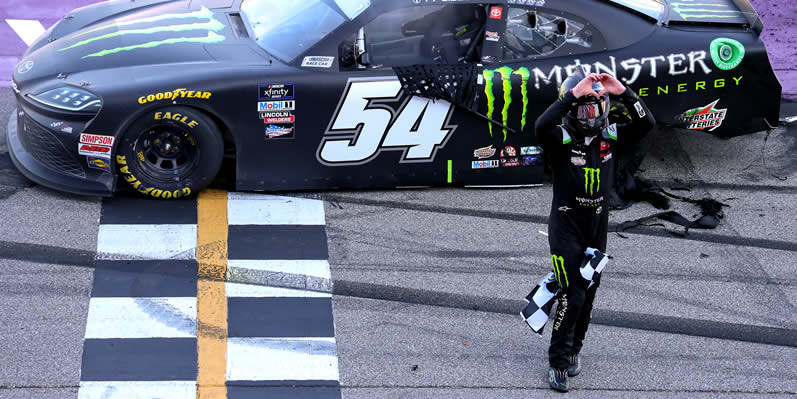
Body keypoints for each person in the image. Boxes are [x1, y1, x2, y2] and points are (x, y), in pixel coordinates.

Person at [533, 67, 655, 392]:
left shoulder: (610, 136)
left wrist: (623, 91)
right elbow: (540, 126)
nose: (591, 114)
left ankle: (574, 350)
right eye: (584, 108)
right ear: (572, 109)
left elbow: (647, 124)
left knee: (587, 296)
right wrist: (573, 93)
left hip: (597, 228)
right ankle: (557, 362)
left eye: (597, 107)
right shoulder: (562, 137)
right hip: (565, 227)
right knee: (572, 296)